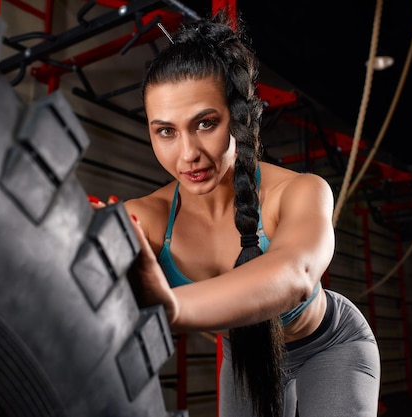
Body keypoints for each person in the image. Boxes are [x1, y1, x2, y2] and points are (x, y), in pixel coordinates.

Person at [117, 9, 380, 417]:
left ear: (237, 118)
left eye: (205, 123)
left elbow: (295, 275)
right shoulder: (147, 218)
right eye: (166, 131)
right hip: (245, 360)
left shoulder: (300, 190)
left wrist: (173, 306)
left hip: (328, 346)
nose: (188, 154)